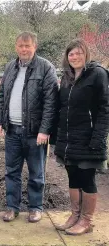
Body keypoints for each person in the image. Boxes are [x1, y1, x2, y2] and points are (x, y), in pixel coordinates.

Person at [0, 31, 58, 223]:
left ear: (34, 47)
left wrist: (45, 129)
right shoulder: (10, 67)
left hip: (35, 133)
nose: (24, 49)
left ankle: (35, 207)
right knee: (11, 171)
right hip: (12, 130)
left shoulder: (45, 68)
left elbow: (51, 102)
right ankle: (12, 207)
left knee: (36, 172)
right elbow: (1, 96)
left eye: (27, 45)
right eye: (21, 46)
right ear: (16, 47)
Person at [54, 38, 109, 235]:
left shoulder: (98, 74)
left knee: (87, 178)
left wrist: (99, 137)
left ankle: (86, 221)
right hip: (69, 139)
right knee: (73, 177)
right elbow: (62, 109)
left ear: (86, 54)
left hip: (89, 138)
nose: (74, 56)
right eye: (71, 54)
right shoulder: (66, 78)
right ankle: (74, 215)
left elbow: (105, 109)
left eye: (78, 53)